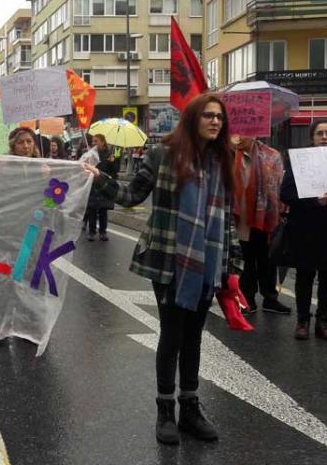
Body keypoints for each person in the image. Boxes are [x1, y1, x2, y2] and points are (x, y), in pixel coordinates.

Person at [83, 94, 235, 445]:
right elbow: (132, 195)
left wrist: (232, 266)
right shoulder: (162, 154)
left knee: (195, 336)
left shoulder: (221, 159)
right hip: (169, 257)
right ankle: (165, 410)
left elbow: (227, 218)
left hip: (207, 260)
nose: (215, 122)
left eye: (220, 117)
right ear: (193, 118)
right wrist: (98, 178)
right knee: (172, 334)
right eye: (208, 116)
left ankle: (190, 408)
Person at [281, 119, 327, 341]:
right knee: (304, 276)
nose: (324, 137)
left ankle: (323, 322)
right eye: (319, 133)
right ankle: (302, 321)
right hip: (304, 228)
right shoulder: (299, 162)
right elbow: (285, 194)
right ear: (312, 138)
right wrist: (316, 202)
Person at [232, 135, 289, 315]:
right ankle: (247, 299)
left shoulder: (272, 156)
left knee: (267, 259)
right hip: (239, 219)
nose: (239, 137)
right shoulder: (228, 154)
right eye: (235, 132)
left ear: (255, 133)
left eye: (244, 133)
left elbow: (280, 185)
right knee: (246, 259)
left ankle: (270, 298)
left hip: (266, 217)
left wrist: (282, 211)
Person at [84, 134, 119, 241]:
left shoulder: (110, 154)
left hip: (105, 185)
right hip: (93, 184)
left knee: (103, 210)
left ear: (103, 142)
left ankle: (103, 232)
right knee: (92, 209)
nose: (93, 143)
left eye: (96, 141)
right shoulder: (91, 154)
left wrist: (113, 161)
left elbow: (115, 171)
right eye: (93, 141)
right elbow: (84, 167)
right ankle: (91, 232)